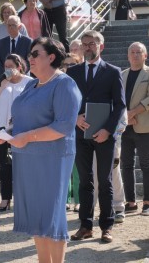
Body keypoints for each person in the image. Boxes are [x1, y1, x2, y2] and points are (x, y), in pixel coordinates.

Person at [0, 37, 81, 262]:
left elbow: (63, 126)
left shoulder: (64, 84)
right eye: (30, 54)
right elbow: (23, 117)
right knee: (36, 216)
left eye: (35, 54)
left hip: (52, 158)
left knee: (51, 215)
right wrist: (9, 135)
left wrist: (26, 137)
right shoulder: (32, 84)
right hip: (27, 157)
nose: (29, 58)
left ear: (51, 57)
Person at [67, 30, 126, 243]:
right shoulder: (72, 72)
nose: (87, 47)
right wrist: (74, 118)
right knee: (85, 182)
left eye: (91, 43)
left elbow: (120, 105)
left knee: (105, 181)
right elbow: (66, 103)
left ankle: (106, 226)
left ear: (101, 46)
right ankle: (85, 226)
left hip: (104, 135)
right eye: (84, 44)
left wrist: (108, 130)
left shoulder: (113, 71)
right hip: (80, 135)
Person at [0, 54, 32, 211]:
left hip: (22, 129)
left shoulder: (30, 81)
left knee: (23, 166)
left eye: (11, 66)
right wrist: (3, 83)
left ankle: (23, 199)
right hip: (2, 130)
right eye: (5, 66)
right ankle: (5, 198)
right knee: (4, 165)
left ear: (19, 66)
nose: (7, 69)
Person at [120, 42, 149, 216]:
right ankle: (130, 202)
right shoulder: (122, 74)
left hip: (144, 126)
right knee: (126, 165)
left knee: (146, 164)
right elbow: (117, 98)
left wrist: (131, 113)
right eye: (132, 52)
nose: (135, 55)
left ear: (145, 55)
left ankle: (148, 202)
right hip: (126, 127)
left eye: (139, 52)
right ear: (128, 55)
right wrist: (125, 116)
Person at [61, 53, 82, 212]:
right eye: (66, 64)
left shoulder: (83, 81)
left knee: (79, 166)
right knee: (65, 166)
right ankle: (66, 199)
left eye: (73, 64)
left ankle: (79, 200)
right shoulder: (59, 82)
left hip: (81, 127)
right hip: (62, 128)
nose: (69, 67)